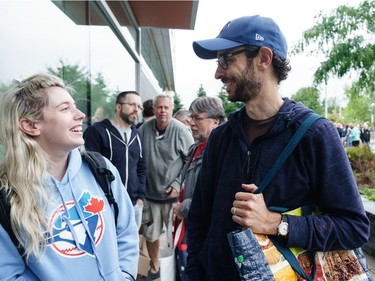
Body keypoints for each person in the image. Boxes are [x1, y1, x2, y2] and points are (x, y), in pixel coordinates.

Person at [186, 15, 370, 281]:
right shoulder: (221, 138)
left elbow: (353, 227)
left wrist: (276, 223)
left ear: (263, 57)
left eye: (227, 59)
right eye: (218, 61)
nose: (218, 72)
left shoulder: (314, 134)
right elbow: (199, 221)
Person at [0, 73, 139, 280]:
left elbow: (126, 231)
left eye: (74, 106)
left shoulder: (101, 170)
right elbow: (8, 273)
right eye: (65, 108)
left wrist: (125, 275)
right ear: (30, 125)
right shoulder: (7, 196)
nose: (81, 114)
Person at [139, 93, 194, 280]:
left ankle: (177, 270)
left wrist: (178, 183)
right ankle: (155, 268)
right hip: (150, 195)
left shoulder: (181, 131)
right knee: (151, 235)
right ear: (153, 109)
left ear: (171, 109)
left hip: (173, 197)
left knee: (175, 238)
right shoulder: (143, 129)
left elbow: (191, 160)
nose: (162, 111)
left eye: (166, 107)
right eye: (159, 107)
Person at [172, 96, 225, 281]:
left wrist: (185, 207)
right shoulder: (196, 148)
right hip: (190, 228)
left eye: (197, 118)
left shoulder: (221, 152)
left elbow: (219, 198)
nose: (191, 122)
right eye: (190, 117)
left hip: (206, 236)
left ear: (215, 121)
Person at [83, 91, 147, 229]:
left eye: (139, 106)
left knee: (129, 247)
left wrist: (140, 197)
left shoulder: (137, 135)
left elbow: (141, 167)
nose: (136, 109)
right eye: (131, 104)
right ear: (118, 107)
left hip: (133, 204)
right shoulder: (97, 131)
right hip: (106, 205)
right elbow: (86, 168)